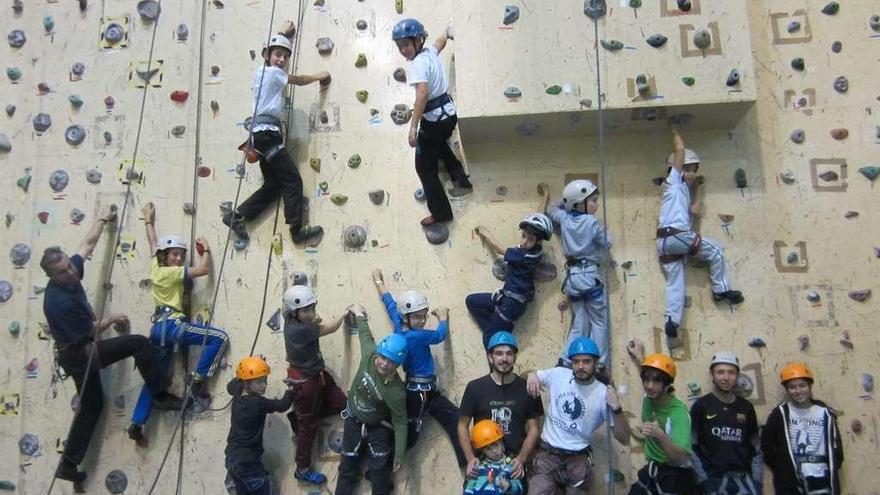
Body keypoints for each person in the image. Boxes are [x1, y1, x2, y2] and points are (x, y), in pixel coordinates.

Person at [42, 205, 182, 490]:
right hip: (81, 354)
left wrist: (103, 218)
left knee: (92, 406)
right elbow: (91, 331)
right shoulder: (58, 302)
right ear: (52, 277)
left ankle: (68, 464)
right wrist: (114, 319)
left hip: (75, 354)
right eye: (63, 271)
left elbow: (86, 245)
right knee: (138, 343)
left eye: (69, 266)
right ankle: (160, 395)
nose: (71, 272)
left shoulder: (71, 271)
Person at [128, 202, 229, 445]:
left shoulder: (156, 267)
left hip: (158, 331)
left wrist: (148, 220)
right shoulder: (171, 272)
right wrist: (205, 250)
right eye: (175, 255)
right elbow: (204, 270)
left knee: (155, 379)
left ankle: (136, 422)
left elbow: (153, 244)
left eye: (182, 256)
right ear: (166, 257)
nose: (179, 259)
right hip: (172, 326)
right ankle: (197, 377)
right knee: (219, 338)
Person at [223, 23, 328, 245]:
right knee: (292, 180)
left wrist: (282, 35)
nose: (281, 60)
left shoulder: (261, 73)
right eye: (278, 55)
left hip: (260, 136)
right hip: (267, 135)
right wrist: (321, 75)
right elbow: (298, 80)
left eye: (284, 57)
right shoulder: (273, 73)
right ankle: (297, 230)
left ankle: (238, 216)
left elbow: (273, 51)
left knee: (273, 186)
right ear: (267, 55)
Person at [372, 268, 467, 467]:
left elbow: (389, 302)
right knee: (411, 433)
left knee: (454, 417)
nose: (422, 322)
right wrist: (442, 316)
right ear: (406, 317)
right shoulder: (418, 335)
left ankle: (466, 463)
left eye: (424, 317)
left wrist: (379, 282)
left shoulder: (399, 324)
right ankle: (383, 467)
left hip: (425, 391)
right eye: (417, 317)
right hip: (420, 393)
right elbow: (440, 335)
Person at [656, 126, 743, 340]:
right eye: (688, 169)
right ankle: (720, 290)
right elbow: (680, 149)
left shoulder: (679, 191)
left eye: (695, 169)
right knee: (715, 249)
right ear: (676, 169)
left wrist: (696, 187)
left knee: (675, 282)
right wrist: (673, 126)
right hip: (677, 235)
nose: (692, 173)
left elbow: (693, 210)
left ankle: (672, 321)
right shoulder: (673, 182)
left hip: (664, 241)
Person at [392, 18, 472, 227]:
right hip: (449, 116)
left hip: (434, 121)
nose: (403, 50)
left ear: (418, 41)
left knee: (425, 168)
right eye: (400, 46)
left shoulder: (418, 63)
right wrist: (447, 32)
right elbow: (439, 42)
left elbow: (422, 94)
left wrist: (413, 127)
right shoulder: (429, 52)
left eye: (407, 45)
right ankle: (461, 179)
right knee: (438, 145)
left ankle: (441, 213)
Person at [525, 337, 631, 494]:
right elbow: (525, 375)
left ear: (595, 363)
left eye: (586, 362)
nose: (580, 366)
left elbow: (624, 438)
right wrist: (532, 375)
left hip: (577, 458)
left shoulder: (603, 393)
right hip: (548, 454)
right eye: (576, 361)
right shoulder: (559, 375)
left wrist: (617, 409)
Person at [334, 305, 408, 495]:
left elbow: (400, 422)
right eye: (382, 357)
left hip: (379, 425)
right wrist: (358, 313)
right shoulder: (370, 354)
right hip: (354, 418)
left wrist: (399, 453)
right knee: (347, 467)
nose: (383, 363)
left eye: (390, 361)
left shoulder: (396, 391)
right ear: (377, 354)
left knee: (380, 472)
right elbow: (365, 335)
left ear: (397, 365)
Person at [541, 180, 613, 369]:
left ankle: (565, 359)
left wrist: (567, 202)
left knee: (580, 322)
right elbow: (608, 242)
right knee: (599, 321)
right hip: (589, 275)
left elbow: (550, 208)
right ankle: (598, 363)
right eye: (593, 201)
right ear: (579, 203)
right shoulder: (591, 222)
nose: (597, 204)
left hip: (572, 279)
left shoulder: (564, 218)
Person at [282, 285, 348, 486]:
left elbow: (310, 318)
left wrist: (310, 316)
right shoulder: (301, 329)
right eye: (306, 310)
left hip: (317, 375)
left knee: (342, 403)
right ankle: (302, 470)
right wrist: (345, 313)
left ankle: (301, 417)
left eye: (312, 308)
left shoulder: (291, 320)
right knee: (308, 429)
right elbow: (332, 327)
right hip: (306, 383)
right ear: (294, 312)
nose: (311, 313)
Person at [458, 332, 543, 485]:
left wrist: (521, 459)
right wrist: (470, 459)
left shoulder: (527, 388)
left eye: (509, 353)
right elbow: (462, 426)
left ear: (515, 357)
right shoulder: (475, 388)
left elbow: (534, 429)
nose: (504, 358)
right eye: (499, 353)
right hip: (482, 465)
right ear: (490, 357)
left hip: (514, 466)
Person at [467, 214, 553, 349]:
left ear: (539, 242)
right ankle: (498, 329)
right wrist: (545, 196)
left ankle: (495, 340)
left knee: (488, 339)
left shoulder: (525, 254)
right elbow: (539, 215)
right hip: (505, 297)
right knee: (472, 301)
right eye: (523, 236)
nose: (524, 241)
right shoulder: (534, 251)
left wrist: (485, 233)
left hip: (513, 303)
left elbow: (499, 249)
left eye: (530, 239)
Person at [761, 363, 843, 495]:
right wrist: (782, 468)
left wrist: (834, 464)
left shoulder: (825, 413)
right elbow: (766, 444)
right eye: (792, 387)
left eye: (802, 385)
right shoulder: (780, 413)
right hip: (792, 481)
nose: (798, 391)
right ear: (787, 390)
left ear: (810, 386)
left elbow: (836, 447)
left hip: (823, 478)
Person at [690, 352, 763, 494]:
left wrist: (757, 482)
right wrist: (703, 480)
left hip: (744, 481)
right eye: (720, 372)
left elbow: (756, 449)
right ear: (712, 374)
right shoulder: (701, 406)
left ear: (737, 375)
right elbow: (691, 447)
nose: (726, 377)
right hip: (713, 480)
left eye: (731, 373)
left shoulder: (746, 407)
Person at [225, 356, 295, 495]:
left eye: (265, 380)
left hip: (232, 458)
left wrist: (250, 367)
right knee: (263, 487)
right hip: (248, 462)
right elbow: (282, 405)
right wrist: (291, 389)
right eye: (259, 382)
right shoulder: (258, 403)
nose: (264, 385)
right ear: (246, 384)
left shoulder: (237, 390)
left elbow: (230, 386)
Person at [629, 354, 697, 495]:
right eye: (646, 380)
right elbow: (650, 374)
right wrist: (638, 356)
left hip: (676, 475)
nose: (649, 386)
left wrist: (660, 435)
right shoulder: (649, 399)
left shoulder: (679, 414)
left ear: (667, 384)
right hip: (654, 469)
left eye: (656, 381)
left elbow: (680, 458)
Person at [463, 420, 524, 495]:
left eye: (496, 445)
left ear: (501, 443)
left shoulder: (510, 465)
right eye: (488, 449)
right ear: (482, 451)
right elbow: (469, 489)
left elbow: (519, 489)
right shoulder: (478, 467)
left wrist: (509, 486)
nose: (494, 451)